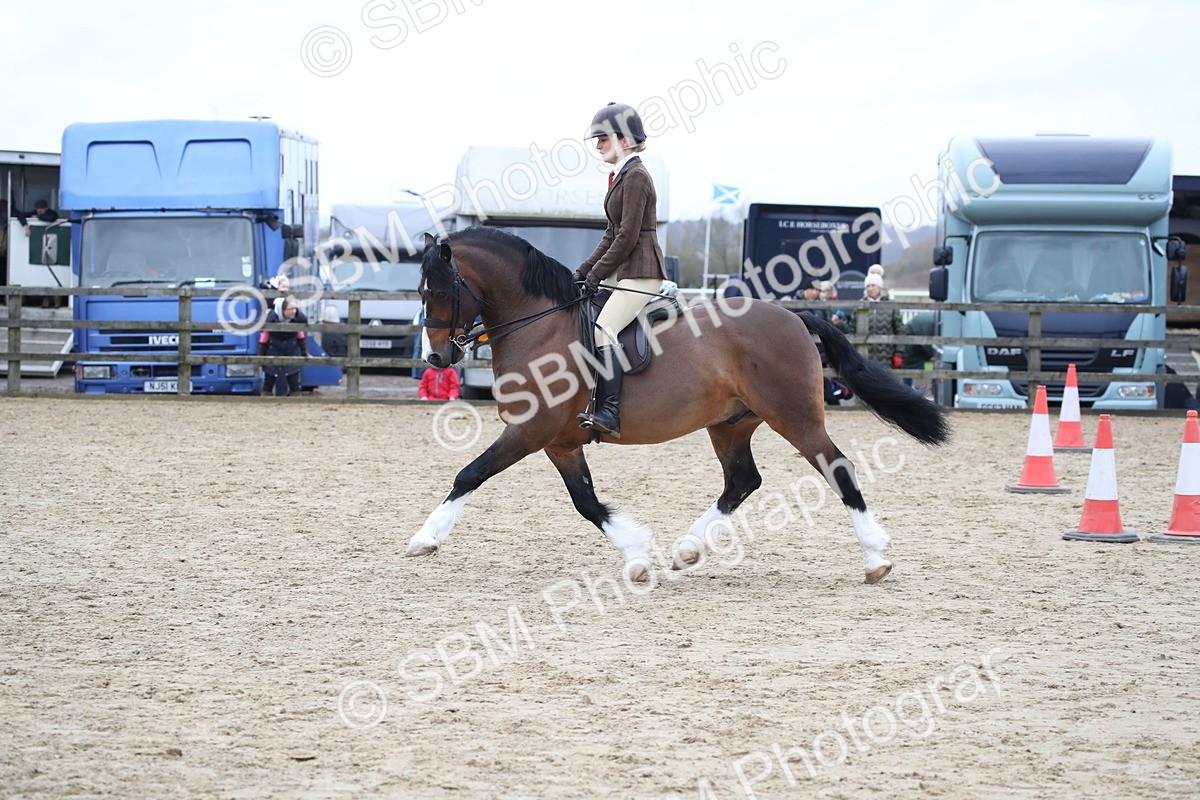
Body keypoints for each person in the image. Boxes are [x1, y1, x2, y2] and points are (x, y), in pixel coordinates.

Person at [573, 102, 668, 439]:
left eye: (602, 138)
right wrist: (583, 270)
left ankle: (610, 412)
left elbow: (627, 236)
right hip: (624, 268)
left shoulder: (637, 176)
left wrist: (597, 274)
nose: (597, 145)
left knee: (605, 327)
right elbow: (611, 234)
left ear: (624, 140)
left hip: (641, 270)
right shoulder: (621, 175)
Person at [846, 272, 903, 367]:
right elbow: (852, 330)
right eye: (868, 286)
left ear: (879, 287)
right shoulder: (860, 305)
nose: (870, 289)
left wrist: (899, 353)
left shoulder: (891, 306)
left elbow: (900, 330)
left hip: (886, 358)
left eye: (873, 285)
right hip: (864, 357)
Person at [16, 200, 64, 308]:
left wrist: (37, 218)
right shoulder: (35, 212)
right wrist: (26, 226)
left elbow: (52, 218)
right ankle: (45, 300)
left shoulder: (51, 213)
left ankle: (54, 300)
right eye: (38, 209)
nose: (39, 211)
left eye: (41, 209)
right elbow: (20, 215)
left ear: (46, 208)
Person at [258, 295, 308, 396]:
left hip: (291, 350)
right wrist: (261, 356)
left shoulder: (297, 320)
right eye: (290, 309)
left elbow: (301, 337)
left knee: (293, 379)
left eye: (295, 309)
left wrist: (304, 353)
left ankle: (295, 399)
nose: (293, 311)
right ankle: (265, 400)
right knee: (269, 378)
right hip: (274, 349)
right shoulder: (271, 320)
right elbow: (264, 338)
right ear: (282, 310)